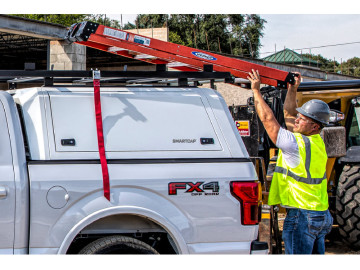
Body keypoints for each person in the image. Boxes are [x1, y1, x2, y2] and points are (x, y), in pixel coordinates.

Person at [247, 69, 333, 254]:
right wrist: (293, 89)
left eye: (302, 119)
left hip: (303, 216)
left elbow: (268, 119)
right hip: (320, 214)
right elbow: (289, 114)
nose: (297, 120)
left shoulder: (296, 144)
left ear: (314, 125)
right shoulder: (316, 141)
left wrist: (256, 91)